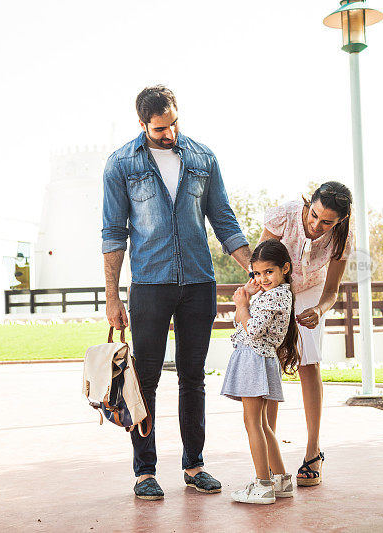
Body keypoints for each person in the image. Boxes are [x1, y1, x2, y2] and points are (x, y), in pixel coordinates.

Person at [101, 85, 251, 501]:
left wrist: (254, 268)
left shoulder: (203, 158)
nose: (169, 134)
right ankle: (144, 471)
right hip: (149, 285)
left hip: (198, 284)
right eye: (159, 128)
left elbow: (224, 220)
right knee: (145, 379)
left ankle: (194, 464)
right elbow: (114, 234)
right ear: (142, 125)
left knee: (193, 377)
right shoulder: (120, 165)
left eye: (173, 124)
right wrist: (113, 298)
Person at [260, 181, 354, 486]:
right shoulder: (283, 217)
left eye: (326, 221)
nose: (316, 225)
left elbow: (331, 291)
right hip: (276, 288)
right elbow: (259, 267)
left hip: (312, 292)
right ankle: (270, 458)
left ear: (340, 220)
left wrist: (320, 310)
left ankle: (313, 451)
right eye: (313, 215)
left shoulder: (343, 237)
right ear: (308, 203)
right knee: (271, 365)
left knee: (308, 364)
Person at [220, 239, 299, 504]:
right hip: (258, 359)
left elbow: (251, 328)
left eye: (269, 272)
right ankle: (281, 480)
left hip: (255, 359)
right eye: (257, 273)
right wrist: (248, 296)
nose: (262, 278)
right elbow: (241, 324)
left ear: (284, 268)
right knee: (263, 424)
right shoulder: (274, 293)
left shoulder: (276, 295)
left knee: (252, 423)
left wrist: (242, 304)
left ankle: (263, 484)